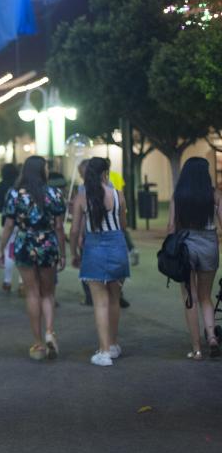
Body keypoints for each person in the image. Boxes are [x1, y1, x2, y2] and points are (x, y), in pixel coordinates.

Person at [0, 156, 66, 360]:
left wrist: (2, 248)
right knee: (48, 293)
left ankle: (38, 345)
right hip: (47, 243)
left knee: (32, 293)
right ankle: (50, 331)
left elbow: (9, 225)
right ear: (42, 171)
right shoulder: (55, 193)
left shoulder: (14, 195)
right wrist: (63, 252)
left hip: (24, 243)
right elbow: (59, 227)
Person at [70, 157, 130, 366]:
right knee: (114, 298)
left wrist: (73, 253)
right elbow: (123, 225)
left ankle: (103, 352)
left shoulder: (82, 197)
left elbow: (75, 229)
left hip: (94, 248)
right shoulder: (118, 195)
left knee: (100, 302)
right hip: (116, 246)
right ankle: (112, 345)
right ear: (106, 173)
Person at [167, 157, 222, 360]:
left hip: (186, 245)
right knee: (206, 296)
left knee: (190, 298)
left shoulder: (178, 196)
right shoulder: (215, 195)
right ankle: (212, 338)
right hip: (209, 245)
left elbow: (171, 228)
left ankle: (197, 349)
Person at [0, 163, 21, 294]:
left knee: (9, 251)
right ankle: (22, 282)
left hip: (9, 222)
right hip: (24, 223)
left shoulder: (1, 185)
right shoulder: (21, 185)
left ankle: (7, 281)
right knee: (22, 253)